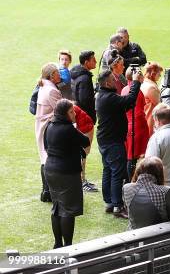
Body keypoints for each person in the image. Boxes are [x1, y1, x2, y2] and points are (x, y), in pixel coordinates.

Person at [43, 99, 91, 248]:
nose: (74, 113)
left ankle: (57, 244)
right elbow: (85, 141)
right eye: (71, 111)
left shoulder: (49, 126)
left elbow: (46, 146)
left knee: (56, 207)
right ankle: (68, 245)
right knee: (68, 210)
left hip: (50, 170)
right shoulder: (69, 129)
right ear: (64, 113)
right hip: (67, 173)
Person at [96, 69, 142, 218]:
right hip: (113, 141)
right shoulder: (109, 97)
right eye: (113, 79)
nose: (116, 81)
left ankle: (109, 202)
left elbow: (124, 106)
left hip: (105, 139)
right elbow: (129, 100)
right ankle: (117, 206)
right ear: (108, 83)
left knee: (108, 170)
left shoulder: (101, 95)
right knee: (116, 172)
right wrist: (136, 82)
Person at [123, 156, 170, 230]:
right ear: (159, 173)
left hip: (134, 236)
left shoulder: (126, 188)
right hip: (159, 236)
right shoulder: (166, 191)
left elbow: (128, 210)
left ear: (138, 171)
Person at [71, 50, 98, 192]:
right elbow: (85, 100)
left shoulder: (75, 74)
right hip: (84, 121)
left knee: (79, 151)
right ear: (86, 62)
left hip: (78, 119)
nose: (95, 62)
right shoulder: (85, 78)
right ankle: (82, 181)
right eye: (93, 60)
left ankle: (80, 179)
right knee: (83, 152)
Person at [35, 63, 62, 202]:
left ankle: (46, 191)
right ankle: (48, 191)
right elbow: (61, 110)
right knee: (48, 158)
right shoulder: (51, 90)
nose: (60, 75)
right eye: (57, 72)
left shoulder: (44, 86)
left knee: (44, 157)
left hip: (42, 125)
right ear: (51, 75)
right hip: (48, 128)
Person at [122, 66, 150, 180]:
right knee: (133, 158)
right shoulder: (137, 92)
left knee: (130, 156)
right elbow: (139, 111)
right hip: (137, 126)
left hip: (129, 126)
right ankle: (131, 181)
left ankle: (129, 181)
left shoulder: (125, 89)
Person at [141, 62, 163, 136]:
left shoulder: (144, 83)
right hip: (151, 120)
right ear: (153, 74)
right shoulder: (151, 87)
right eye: (158, 74)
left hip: (146, 117)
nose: (160, 75)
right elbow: (160, 106)